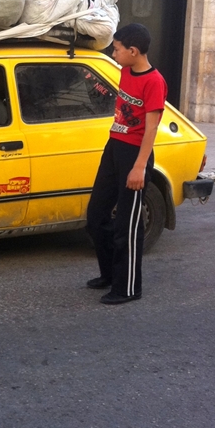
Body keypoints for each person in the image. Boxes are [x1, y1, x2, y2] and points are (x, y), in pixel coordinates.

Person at [86, 23, 167, 305]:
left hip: (135, 155)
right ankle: (109, 274)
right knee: (96, 216)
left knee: (127, 226)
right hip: (114, 148)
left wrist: (139, 167)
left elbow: (151, 129)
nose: (114, 52)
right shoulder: (125, 71)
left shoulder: (154, 82)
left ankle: (128, 287)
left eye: (118, 49)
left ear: (133, 51)